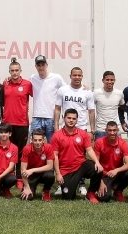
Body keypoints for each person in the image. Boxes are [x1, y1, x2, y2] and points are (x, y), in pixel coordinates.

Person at [54, 66, 95, 195]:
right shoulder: (63, 90)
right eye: (74, 75)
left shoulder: (87, 92)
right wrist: (56, 126)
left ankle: (81, 184)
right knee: (62, 155)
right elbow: (57, 109)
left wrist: (92, 129)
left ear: (82, 76)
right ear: (70, 76)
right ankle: (61, 183)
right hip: (65, 128)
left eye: (79, 75)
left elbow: (91, 111)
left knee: (81, 157)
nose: (77, 77)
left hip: (81, 127)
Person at [51, 108, 103, 203]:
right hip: (66, 171)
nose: (71, 120)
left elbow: (89, 150)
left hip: (81, 166)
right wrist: (58, 174)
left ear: (77, 120)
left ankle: (91, 193)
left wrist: (97, 162)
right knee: (68, 197)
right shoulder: (57, 136)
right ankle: (71, 188)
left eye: (74, 118)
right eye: (69, 118)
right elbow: (55, 156)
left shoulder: (83, 134)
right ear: (64, 118)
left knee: (97, 169)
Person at [2, 59, 32, 187]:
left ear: (20, 71)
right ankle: (9, 175)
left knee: (20, 151)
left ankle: (19, 178)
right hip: (7, 123)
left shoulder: (27, 84)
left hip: (22, 123)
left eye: (17, 70)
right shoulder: (5, 84)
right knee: (8, 150)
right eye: (12, 70)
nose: (14, 73)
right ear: (9, 71)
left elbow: (41, 93)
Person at [93, 121, 128, 202]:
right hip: (104, 175)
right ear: (105, 130)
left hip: (116, 174)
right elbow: (96, 164)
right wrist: (100, 181)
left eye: (114, 130)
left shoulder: (123, 143)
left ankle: (118, 191)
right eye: (110, 130)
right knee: (104, 198)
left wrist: (116, 170)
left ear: (117, 130)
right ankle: (96, 190)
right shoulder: (99, 142)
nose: (112, 133)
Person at [30, 55, 65, 143]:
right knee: (34, 144)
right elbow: (22, 84)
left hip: (51, 117)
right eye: (39, 65)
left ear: (47, 65)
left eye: (43, 65)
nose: (41, 67)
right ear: (35, 66)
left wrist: (81, 86)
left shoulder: (56, 78)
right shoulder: (32, 78)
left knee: (52, 144)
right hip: (36, 117)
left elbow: (66, 90)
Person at [20, 129, 55, 202]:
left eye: (40, 140)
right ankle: (32, 188)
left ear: (43, 140)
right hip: (31, 175)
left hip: (43, 173)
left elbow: (50, 166)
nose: (37, 142)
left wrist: (32, 170)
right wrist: (26, 187)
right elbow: (23, 170)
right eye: (35, 140)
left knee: (50, 176)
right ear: (31, 140)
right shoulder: (26, 149)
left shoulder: (48, 147)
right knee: (28, 197)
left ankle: (46, 191)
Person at [93, 71, 125, 140]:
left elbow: (122, 108)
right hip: (101, 129)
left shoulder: (119, 93)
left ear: (114, 80)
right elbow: (91, 110)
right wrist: (92, 128)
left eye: (112, 80)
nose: (109, 82)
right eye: (107, 80)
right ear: (103, 80)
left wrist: (123, 122)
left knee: (118, 147)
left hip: (116, 129)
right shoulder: (96, 93)